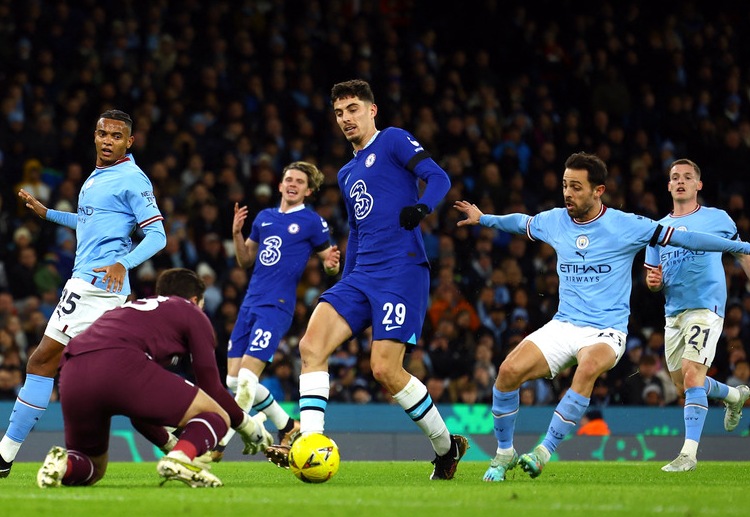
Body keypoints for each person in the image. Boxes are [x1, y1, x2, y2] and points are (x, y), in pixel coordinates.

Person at [453, 152, 750, 482]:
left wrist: (745, 247)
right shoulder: (554, 220)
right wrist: (484, 219)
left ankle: (543, 450)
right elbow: (521, 222)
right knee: (507, 371)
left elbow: (685, 237)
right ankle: (504, 452)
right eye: (566, 185)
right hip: (564, 323)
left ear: (598, 190)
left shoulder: (627, 225)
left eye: (576, 187)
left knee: (589, 366)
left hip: (607, 330)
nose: (568, 193)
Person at [264, 79, 468, 480]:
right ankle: (310, 444)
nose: (346, 118)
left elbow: (438, 176)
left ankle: (447, 448)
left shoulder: (392, 140)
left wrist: (422, 207)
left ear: (372, 111)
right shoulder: (346, 172)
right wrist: (348, 272)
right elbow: (356, 227)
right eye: (339, 112)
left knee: (385, 370)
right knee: (311, 344)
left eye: (353, 109)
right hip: (362, 275)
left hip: (401, 271)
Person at [0, 110, 168, 477]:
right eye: (103, 133)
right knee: (108, 376)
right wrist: (49, 214)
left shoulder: (132, 179)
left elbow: (158, 235)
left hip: (94, 286)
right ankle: (178, 437)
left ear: (129, 142)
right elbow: (91, 220)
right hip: (95, 286)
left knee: (42, 362)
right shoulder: (100, 176)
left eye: (116, 136)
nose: (108, 141)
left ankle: (3, 456)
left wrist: (124, 262)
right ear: (94, 135)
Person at [35, 268, 272, 488]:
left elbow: (141, 414)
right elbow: (211, 388)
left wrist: (169, 443)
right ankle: (182, 459)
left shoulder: (130, 310)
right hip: (119, 362)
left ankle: (64, 465)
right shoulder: (189, 310)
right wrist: (247, 426)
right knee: (216, 415)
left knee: (92, 466)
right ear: (194, 300)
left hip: (73, 369)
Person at [212, 161, 340, 459]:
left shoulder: (311, 222)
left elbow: (328, 262)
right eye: (288, 179)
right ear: (280, 185)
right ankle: (286, 425)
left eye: (299, 181)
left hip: (277, 306)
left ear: (308, 191)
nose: (293, 184)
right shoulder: (265, 217)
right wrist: (236, 233)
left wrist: (331, 265)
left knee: (246, 379)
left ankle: (221, 443)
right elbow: (246, 260)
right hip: (249, 304)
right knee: (233, 380)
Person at [644, 158, 750, 472]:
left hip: (707, 307)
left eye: (687, 177)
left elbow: (742, 251)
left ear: (698, 185)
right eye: (675, 177)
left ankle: (688, 455)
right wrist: (653, 281)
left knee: (692, 373)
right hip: (674, 313)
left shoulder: (717, 218)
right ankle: (733, 396)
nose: (680, 181)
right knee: (685, 385)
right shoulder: (657, 230)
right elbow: (653, 275)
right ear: (668, 185)